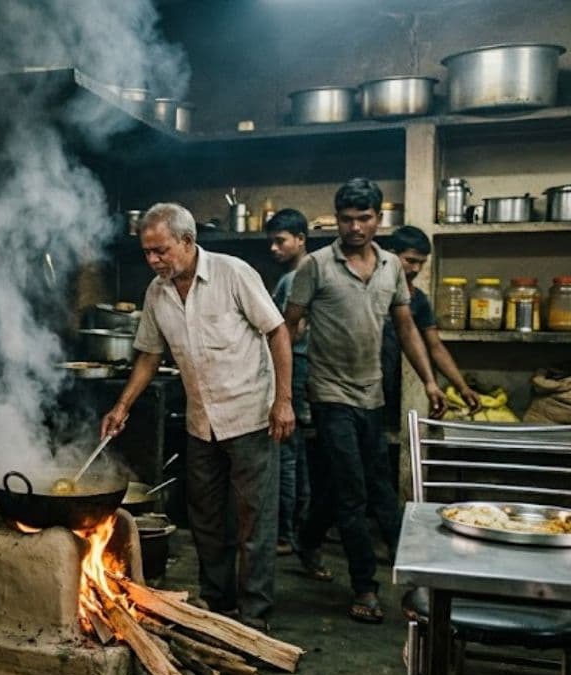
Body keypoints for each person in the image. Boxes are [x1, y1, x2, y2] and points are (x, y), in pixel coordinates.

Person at [101, 202, 294, 631]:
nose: (153, 261)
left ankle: (255, 615)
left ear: (188, 242)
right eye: (147, 253)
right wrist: (122, 406)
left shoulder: (233, 273)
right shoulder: (157, 292)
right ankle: (217, 601)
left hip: (250, 417)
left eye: (161, 251)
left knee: (254, 521)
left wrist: (284, 400)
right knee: (205, 517)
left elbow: (277, 331)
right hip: (201, 422)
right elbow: (150, 353)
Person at [283, 179, 445, 625]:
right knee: (355, 493)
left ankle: (308, 537)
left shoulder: (392, 266)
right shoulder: (315, 266)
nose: (355, 227)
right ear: (336, 219)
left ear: (378, 219)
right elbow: (288, 326)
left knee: (367, 486)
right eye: (346, 218)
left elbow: (407, 328)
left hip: (372, 394)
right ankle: (366, 586)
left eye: (364, 218)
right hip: (329, 393)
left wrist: (430, 382)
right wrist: (280, 388)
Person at [381, 225, 480, 424]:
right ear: (391, 255)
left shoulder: (418, 299)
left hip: (387, 385)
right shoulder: (370, 290)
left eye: (422, 263)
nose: (416, 269)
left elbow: (435, 346)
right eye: (410, 261)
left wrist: (462, 387)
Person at [267, 209, 311, 557]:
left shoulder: (292, 280)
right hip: (312, 371)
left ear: (300, 239)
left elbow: (282, 334)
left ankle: (284, 534)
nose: (274, 248)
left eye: (280, 240)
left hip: (294, 370)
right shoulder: (318, 272)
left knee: (286, 453)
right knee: (299, 454)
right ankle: (299, 528)